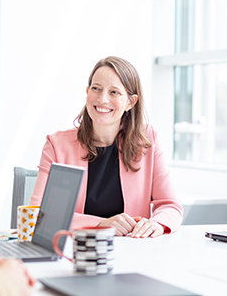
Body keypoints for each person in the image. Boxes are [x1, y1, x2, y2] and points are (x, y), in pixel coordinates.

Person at [30, 56, 183, 238]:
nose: (102, 99)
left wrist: (156, 224)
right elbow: (37, 213)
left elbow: (170, 205)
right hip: (76, 252)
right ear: (87, 92)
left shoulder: (148, 140)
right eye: (96, 89)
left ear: (131, 102)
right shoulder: (57, 145)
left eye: (114, 92)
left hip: (134, 249)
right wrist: (101, 224)